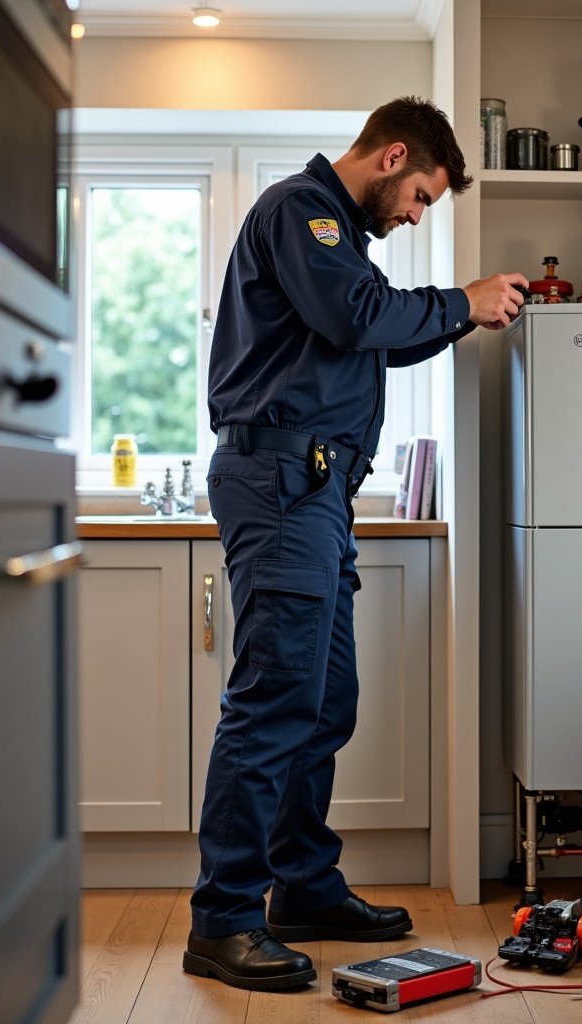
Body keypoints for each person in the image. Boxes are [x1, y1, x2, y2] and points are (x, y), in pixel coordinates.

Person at [182, 96, 528, 992]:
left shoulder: (341, 246)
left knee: (325, 699)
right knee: (273, 702)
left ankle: (302, 888)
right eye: (420, 196)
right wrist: (462, 298)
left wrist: (464, 315)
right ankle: (222, 920)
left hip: (319, 491)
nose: (416, 214)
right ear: (393, 157)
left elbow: (368, 332)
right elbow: (357, 319)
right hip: (282, 484)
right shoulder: (305, 214)